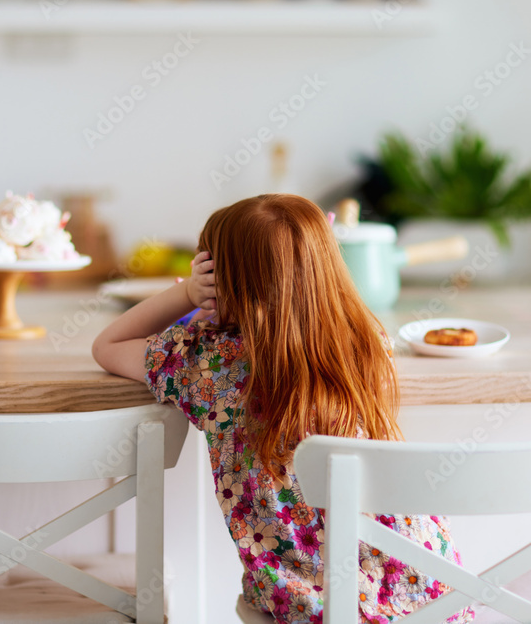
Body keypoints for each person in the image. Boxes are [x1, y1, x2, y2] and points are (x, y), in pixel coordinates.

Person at [92, 194, 473, 624]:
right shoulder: (367, 343)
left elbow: (106, 346)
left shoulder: (208, 363)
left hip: (309, 606)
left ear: (222, 282)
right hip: (430, 594)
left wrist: (185, 294)